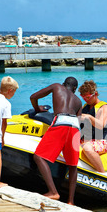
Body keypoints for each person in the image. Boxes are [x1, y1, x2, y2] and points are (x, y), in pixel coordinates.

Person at [30, 77, 82, 205]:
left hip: (61, 122)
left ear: (64, 84)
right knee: (72, 165)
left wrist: (37, 109)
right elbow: (80, 122)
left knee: (39, 157)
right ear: (74, 89)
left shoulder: (57, 86)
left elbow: (33, 97)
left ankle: (53, 192)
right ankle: (71, 201)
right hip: (75, 127)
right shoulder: (79, 101)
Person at [78, 80, 107, 173]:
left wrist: (89, 117)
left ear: (95, 94)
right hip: (84, 139)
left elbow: (101, 125)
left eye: (88, 97)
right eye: (83, 97)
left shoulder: (104, 107)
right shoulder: (85, 106)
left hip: (101, 142)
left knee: (87, 147)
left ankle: (102, 174)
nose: (86, 100)